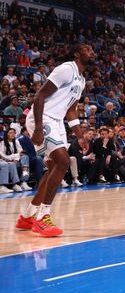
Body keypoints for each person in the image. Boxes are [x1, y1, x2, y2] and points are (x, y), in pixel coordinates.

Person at [16, 43, 95, 237]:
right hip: (43, 118)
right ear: (77, 53)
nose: (91, 52)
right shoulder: (66, 69)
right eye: (87, 49)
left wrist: (79, 136)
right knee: (63, 162)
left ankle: (27, 216)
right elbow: (40, 96)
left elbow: (70, 111)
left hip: (58, 121)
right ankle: (43, 218)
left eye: (92, 50)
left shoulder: (82, 80)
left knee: (54, 168)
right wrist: (39, 128)